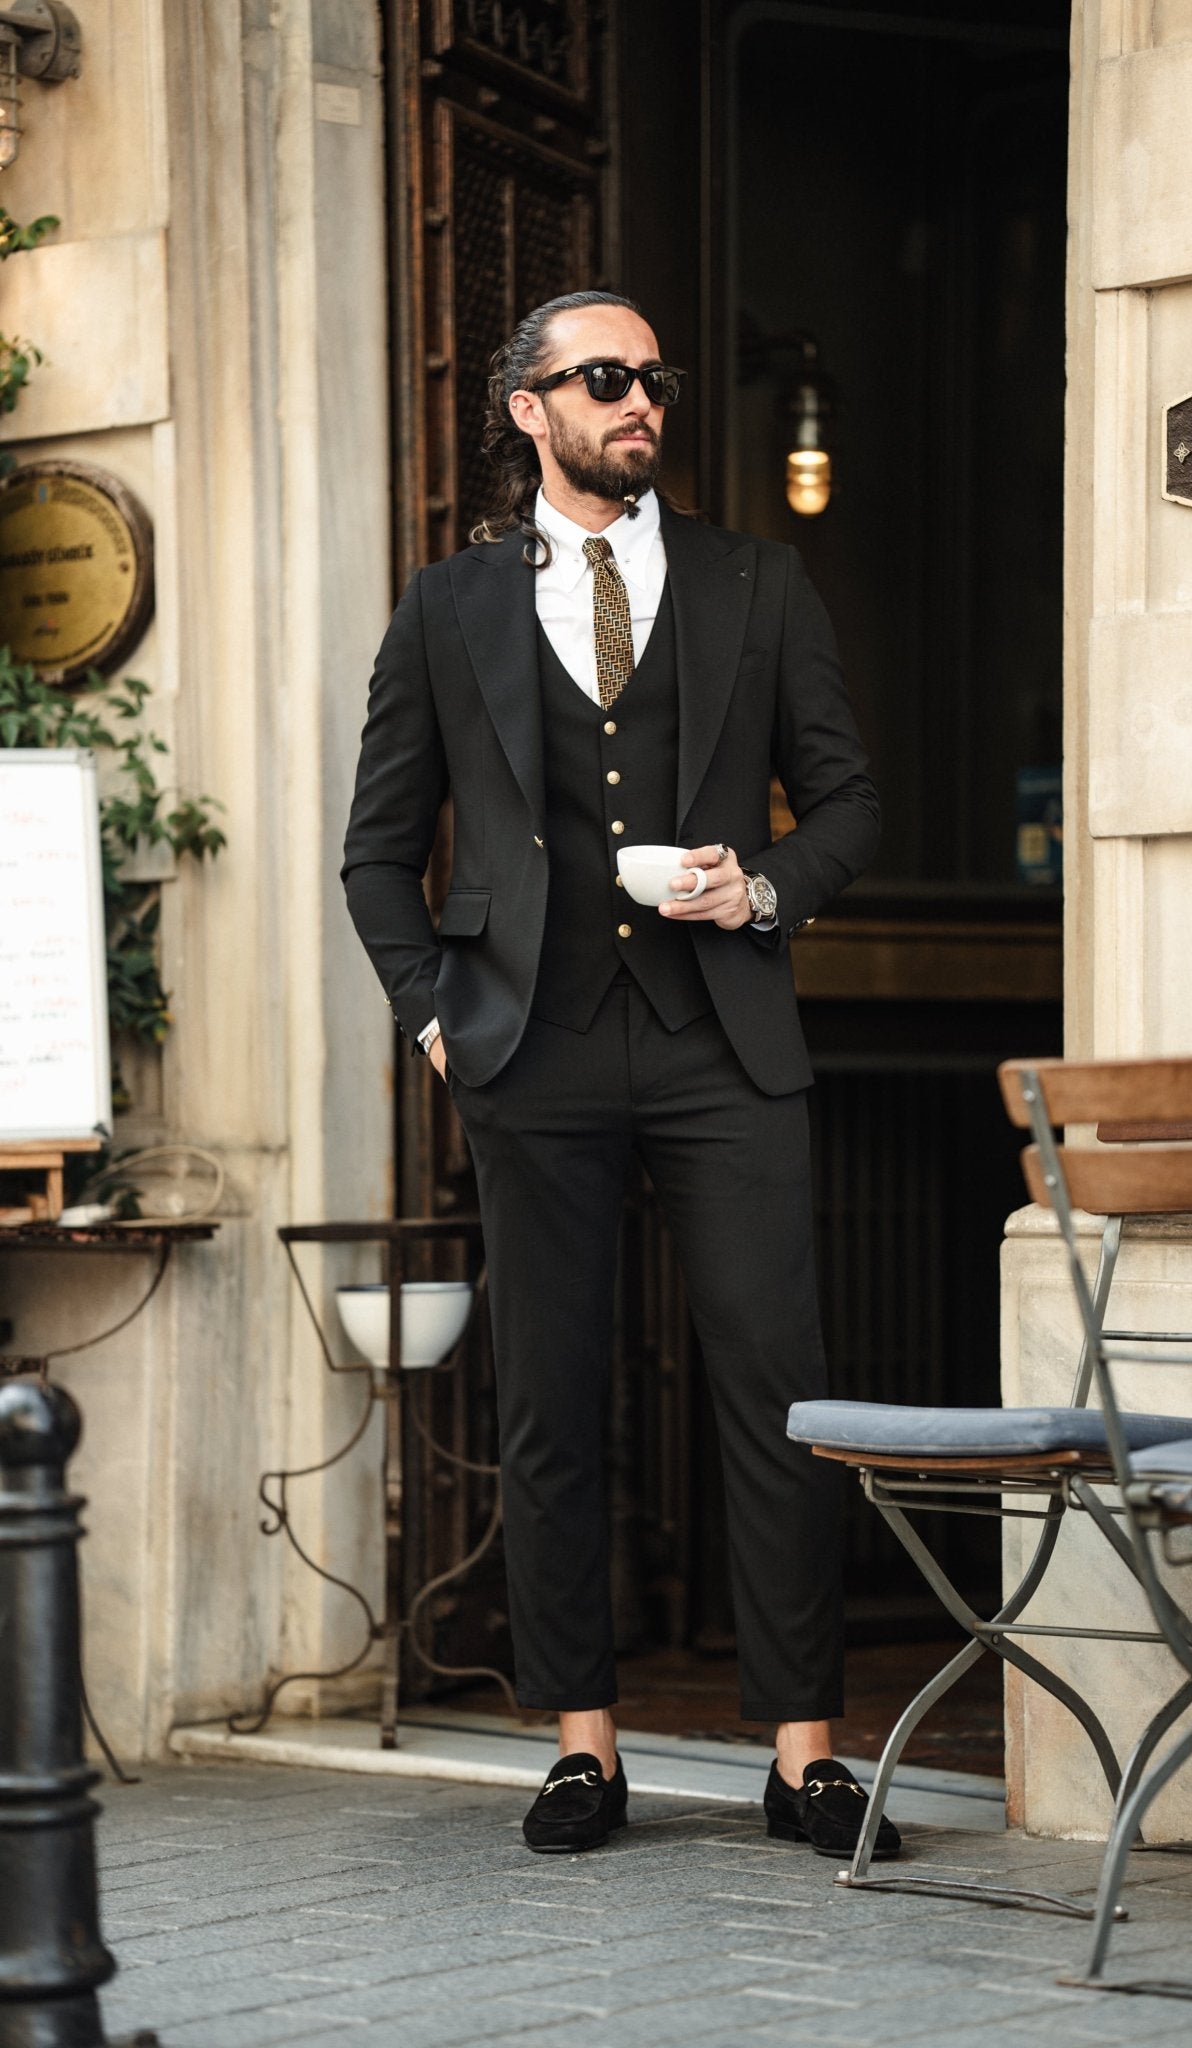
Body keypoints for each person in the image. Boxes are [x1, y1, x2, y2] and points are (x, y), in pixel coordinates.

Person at [343, 290, 895, 1861]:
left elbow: (848, 804)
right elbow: (378, 855)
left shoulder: (757, 583)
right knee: (554, 1401)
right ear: (531, 409)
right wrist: (436, 1017)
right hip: (535, 1043)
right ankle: (582, 1747)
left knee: (779, 1396)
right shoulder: (447, 608)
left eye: (652, 378)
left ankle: (804, 1755)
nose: (640, 399)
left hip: (727, 1037)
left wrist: (763, 887)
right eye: (606, 379)